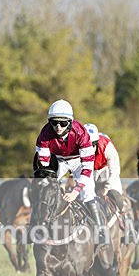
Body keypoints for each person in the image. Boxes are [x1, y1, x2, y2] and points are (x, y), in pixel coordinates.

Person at [35, 99, 108, 243]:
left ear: (70, 122)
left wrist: (75, 191)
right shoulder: (44, 134)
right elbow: (43, 163)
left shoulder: (81, 133)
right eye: (54, 122)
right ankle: (36, 226)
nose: (58, 127)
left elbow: (87, 167)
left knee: (87, 191)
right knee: (43, 187)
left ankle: (99, 230)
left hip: (78, 161)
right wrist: (48, 180)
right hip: (58, 160)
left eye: (63, 123)